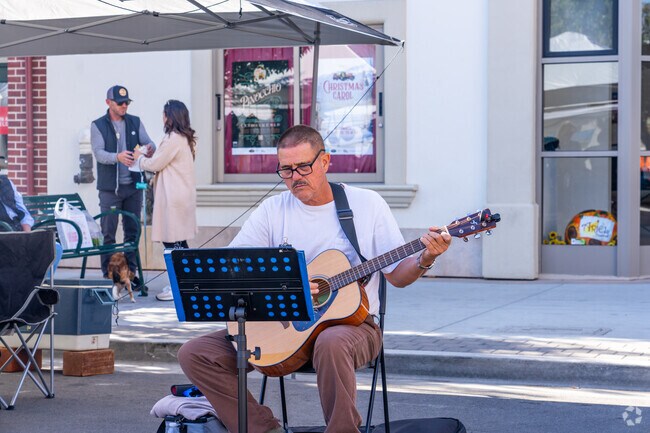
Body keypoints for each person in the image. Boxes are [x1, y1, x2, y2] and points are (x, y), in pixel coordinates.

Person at [177, 125, 452, 433]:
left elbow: (398, 276)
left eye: (303, 167)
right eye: (286, 170)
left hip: (353, 328)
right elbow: (234, 267)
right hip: (282, 328)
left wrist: (426, 258)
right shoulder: (273, 209)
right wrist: (283, 285)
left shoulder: (366, 205)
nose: (295, 177)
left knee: (330, 342)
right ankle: (263, 429)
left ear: (325, 161)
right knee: (195, 353)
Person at [91, 85, 155, 294]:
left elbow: (149, 142)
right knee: (108, 233)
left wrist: (150, 149)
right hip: (110, 189)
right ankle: (108, 277)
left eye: (127, 102)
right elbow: (99, 154)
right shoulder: (98, 125)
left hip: (133, 187)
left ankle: (131, 276)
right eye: (120, 103)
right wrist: (116, 157)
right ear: (108, 102)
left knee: (132, 232)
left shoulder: (135, 121)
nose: (124, 105)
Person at [134, 100, 197, 301]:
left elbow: (155, 164)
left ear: (170, 116)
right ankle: (187, 283)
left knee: (172, 244)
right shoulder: (184, 138)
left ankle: (178, 286)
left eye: (164, 114)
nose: (162, 117)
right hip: (180, 196)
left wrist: (139, 158)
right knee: (179, 243)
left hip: (173, 198)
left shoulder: (173, 139)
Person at [0, 174, 63, 276]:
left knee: (55, 247)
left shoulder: (6, 182)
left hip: (18, 234)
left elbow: (23, 213)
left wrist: (27, 237)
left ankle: (40, 285)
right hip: (4, 238)